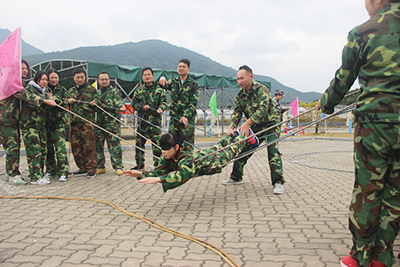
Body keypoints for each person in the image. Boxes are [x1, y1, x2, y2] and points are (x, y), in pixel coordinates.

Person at [317, 1, 400, 266]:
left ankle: (361, 257)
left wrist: (327, 102)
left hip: (375, 125)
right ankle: (383, 255)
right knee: (395, 192)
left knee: (368, 189)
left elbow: (344, 77)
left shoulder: (363, 32)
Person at [123, 130, 258, 192]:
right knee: (219, 145)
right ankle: (232, 135)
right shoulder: (169, 156)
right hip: (205, 155)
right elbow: (160, 171)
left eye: (166, 148)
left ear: (176, 147)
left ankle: (246, 136)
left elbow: (182, 175)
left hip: (214, 162)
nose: (163, 151)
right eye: (162, 148)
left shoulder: (186, 159)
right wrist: (141, 174)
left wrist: (160, 180)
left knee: (232, 149)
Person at [222, 65, 285, 195]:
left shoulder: (262, 90)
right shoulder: (240, 94)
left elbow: (263, 110)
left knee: (272, 150)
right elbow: (237, 112)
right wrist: (232, 125)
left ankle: (278, 182)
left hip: (270, 124)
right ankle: (236, 177)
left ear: (251, 76)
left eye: (242, 78)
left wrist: (247, 123)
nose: (240, 81)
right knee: (243, 149)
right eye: (238, 79)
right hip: (255, 126)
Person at [0, 61, 56, 185]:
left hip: (18, 119)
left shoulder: (25, 83)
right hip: (6, 118)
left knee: (17, 146)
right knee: (12, 147)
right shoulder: (12, 83)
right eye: (21, 69)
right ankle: (12, 174)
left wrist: (48, 97)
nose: (24, 71)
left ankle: (14, 172)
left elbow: (34, 90)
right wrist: (44, 101)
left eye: (26, 68)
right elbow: (25, 95)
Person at [20, 71, 57, 185]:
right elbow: (30, 98)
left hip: (41, 125)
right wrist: (45, 100)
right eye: (43, 79)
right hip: (30, 125)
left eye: (46, 80)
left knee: (42, 150)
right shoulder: (29, 88)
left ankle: (40, 174)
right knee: (34, 151)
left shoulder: (44, 91)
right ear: (37, 80)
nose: (45, 82)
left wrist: (52, 99)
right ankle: (35, 177)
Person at [131, 67, 167, 170]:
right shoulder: (139, 90)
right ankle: (140, 164)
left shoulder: (159, 90)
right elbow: (134, 104)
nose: (147, 76)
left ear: (153, 76)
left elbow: (164, 103)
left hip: (154, 124)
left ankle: (159, 166)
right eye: (145, 75)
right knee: (139, 145)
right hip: (142, 124)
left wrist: (161, 108)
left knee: (157, 147)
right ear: (142, 77)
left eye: (149, 74)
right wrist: (142, 107)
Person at [158, 59, 199, 150]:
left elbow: (193, 103)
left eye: (184, 67)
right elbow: (162, 85)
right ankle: (173, 163)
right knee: (172, 144)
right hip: (174, 120)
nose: (181, 68)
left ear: (188, 70)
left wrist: (185, 116)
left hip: (186, 121)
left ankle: (187, 163)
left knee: (187, 146)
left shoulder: (193, 84)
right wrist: (161, 78)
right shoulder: (173, 81)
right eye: (179, 66)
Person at [67, 68, 100, 178]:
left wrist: (94, 104)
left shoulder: (92, 90)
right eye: (77, 77)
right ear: (74, 78)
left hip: (87, 123)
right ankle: (82, 168)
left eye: (82, 77)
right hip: (74, 123)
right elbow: (63, 103)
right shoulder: (71, 91)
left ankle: (91, 168)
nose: (80, 79)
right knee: (76, 147)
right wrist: (68, 101)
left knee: (89, 146)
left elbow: (98, 105)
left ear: (85, 77)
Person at [95, 70, 125, 175]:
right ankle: (100, 166)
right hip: (99, 124)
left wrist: (120, 105)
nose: (104, 81)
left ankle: (118, 166)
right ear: (98, 81)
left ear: (109, 80)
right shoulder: (96, 93)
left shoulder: (114, 91)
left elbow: (118, 100)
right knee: (97, 145)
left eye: (106, 79)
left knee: (114, 146)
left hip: (112, 124)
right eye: (102, 79)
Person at [44, 69, 69, 182]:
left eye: (56, 77)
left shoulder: (62, 90)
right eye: (51, 78)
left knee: (60, 149)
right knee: (48, 149)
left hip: (58, 123)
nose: (54, 80)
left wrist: (56, 100)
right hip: (45, 123)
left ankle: (63, 171)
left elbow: (65, 103)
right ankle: (50, 170)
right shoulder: (43, 90)